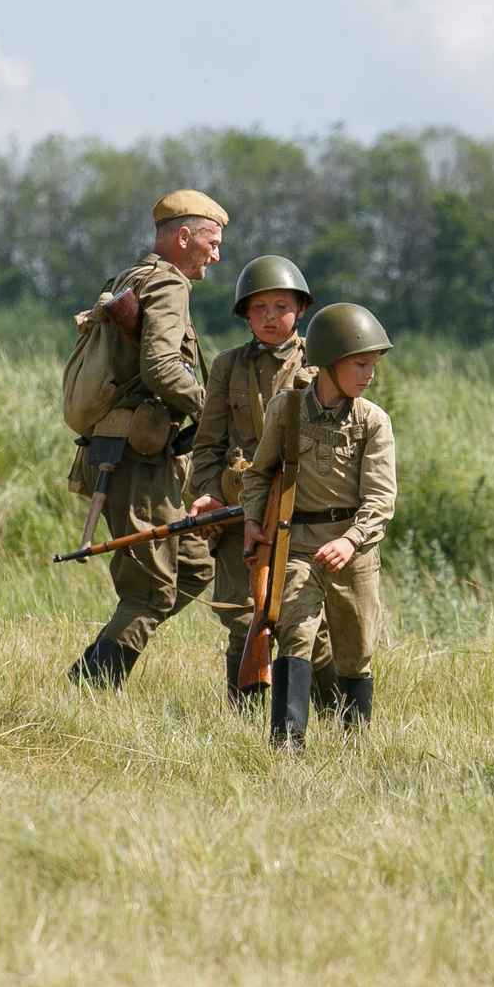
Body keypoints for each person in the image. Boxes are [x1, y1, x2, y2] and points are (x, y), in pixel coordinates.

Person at [67, 189, 229, 687]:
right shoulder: (169, 284)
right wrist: (214, 411)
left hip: (131, 454)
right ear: (184, 238)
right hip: (133, 460)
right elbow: (160, 367)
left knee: (195, 567)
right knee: (150, 593)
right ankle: (89, 688)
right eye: (212, 243)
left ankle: (92, 669)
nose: (216, 256)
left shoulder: (130, 277)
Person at [241, 303, 397, 753]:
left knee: (356, 650)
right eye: (360, 364)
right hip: (298, 546)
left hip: (355, 551)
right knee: (295, 635)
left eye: (373, 365)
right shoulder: (286, 410)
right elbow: (259, 474)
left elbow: (380, 500)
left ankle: (353, 747)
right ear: (329, 361)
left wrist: (350, 542)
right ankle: (287, 745)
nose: (369, 374)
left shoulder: (372, 422)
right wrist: (252, 520)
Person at [187, 255, 321, 706]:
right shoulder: (228, 366)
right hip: (238, 511)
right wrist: (208, 494)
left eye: (281, 306)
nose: (270, 317)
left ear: (300, 309)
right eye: (259, 307)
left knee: (308, 624)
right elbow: (207, 446)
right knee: (242, 617)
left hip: (302, 513)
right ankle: (242, 719)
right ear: (245, 313)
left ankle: (324, 721)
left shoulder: (321, 362)